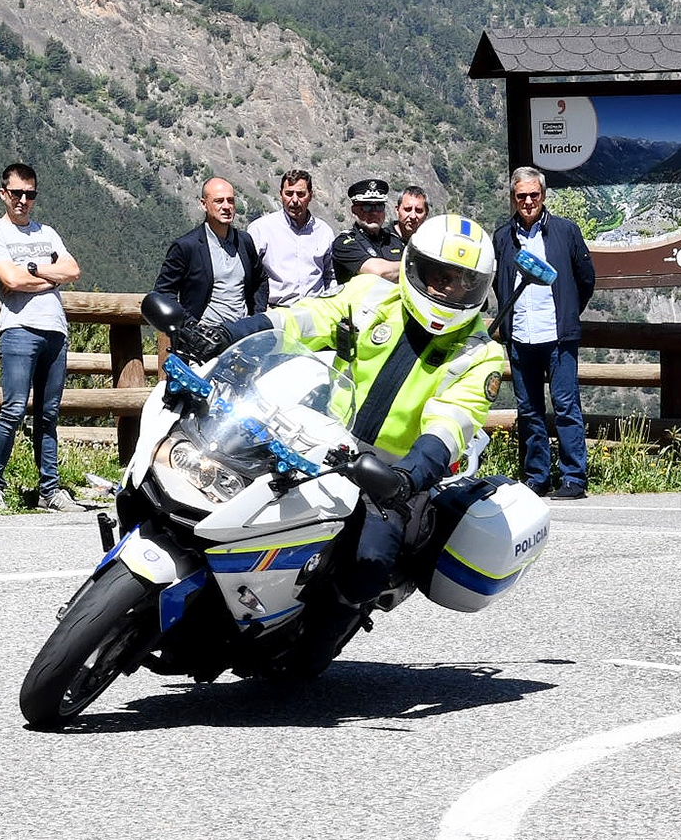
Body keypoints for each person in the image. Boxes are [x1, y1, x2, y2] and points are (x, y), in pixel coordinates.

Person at [204, 214, 506, 668]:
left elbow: (452, 423)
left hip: (388, 471)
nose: (447, 290)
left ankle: (317, 641)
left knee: (369, 562)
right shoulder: (371, 295)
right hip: (311, 431)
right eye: (440, 276)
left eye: (464, 283)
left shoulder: (480, 355)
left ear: (480, 289)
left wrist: (409, 476)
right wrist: (226, 333)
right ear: (414, 265)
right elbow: (303, 319)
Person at [0, 162, 81, 512]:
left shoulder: (48, 232)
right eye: (17, 193)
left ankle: (49, 490)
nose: (23, 200)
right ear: (3, 193)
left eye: (30, 194)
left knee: (49, 414)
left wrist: (35, 270)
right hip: (19, 329)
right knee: (13, 409)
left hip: (55, 329)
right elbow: (12, 281)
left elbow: (73, 270)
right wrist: (49, 277)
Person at [492, 168, 595, 500]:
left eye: (533, 195)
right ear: (513, 198)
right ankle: (536, 477)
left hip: (558, 335)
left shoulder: (566, 232)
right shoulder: (502, 237)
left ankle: (574, 478)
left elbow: (585, 279)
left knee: (566, 405)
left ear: (543, 195)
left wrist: (567, 311)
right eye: (521, 196)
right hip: (521, 336)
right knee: (529, 410)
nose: (528, 201)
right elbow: (498, 283)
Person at [155, 177, 267, 326]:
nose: (227, 206)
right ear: (204, 204)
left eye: (231, 200)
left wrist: (256, 317)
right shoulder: (186, 247)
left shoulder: (244, 242)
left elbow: (260, 279)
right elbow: (163, 293)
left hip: (242, 339)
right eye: (219, 201)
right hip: (203, 340)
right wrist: (189, 326)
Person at [247, 169, 334, 306]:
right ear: (281, 194)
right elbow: (248, 275)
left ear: (310, 196)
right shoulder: (260, 229)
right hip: (276, 312)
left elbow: (330, 275)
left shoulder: (324, 231)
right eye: (289, 194)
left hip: (315, 313)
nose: (294, 200)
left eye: (301, 194)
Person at [331, 178, 405, 285]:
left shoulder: (395, 241)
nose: (374, 213)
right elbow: (380, 272)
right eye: (367, 207)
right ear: (354, 210)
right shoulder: (344, 243)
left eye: (379, 206)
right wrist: (413, 266)